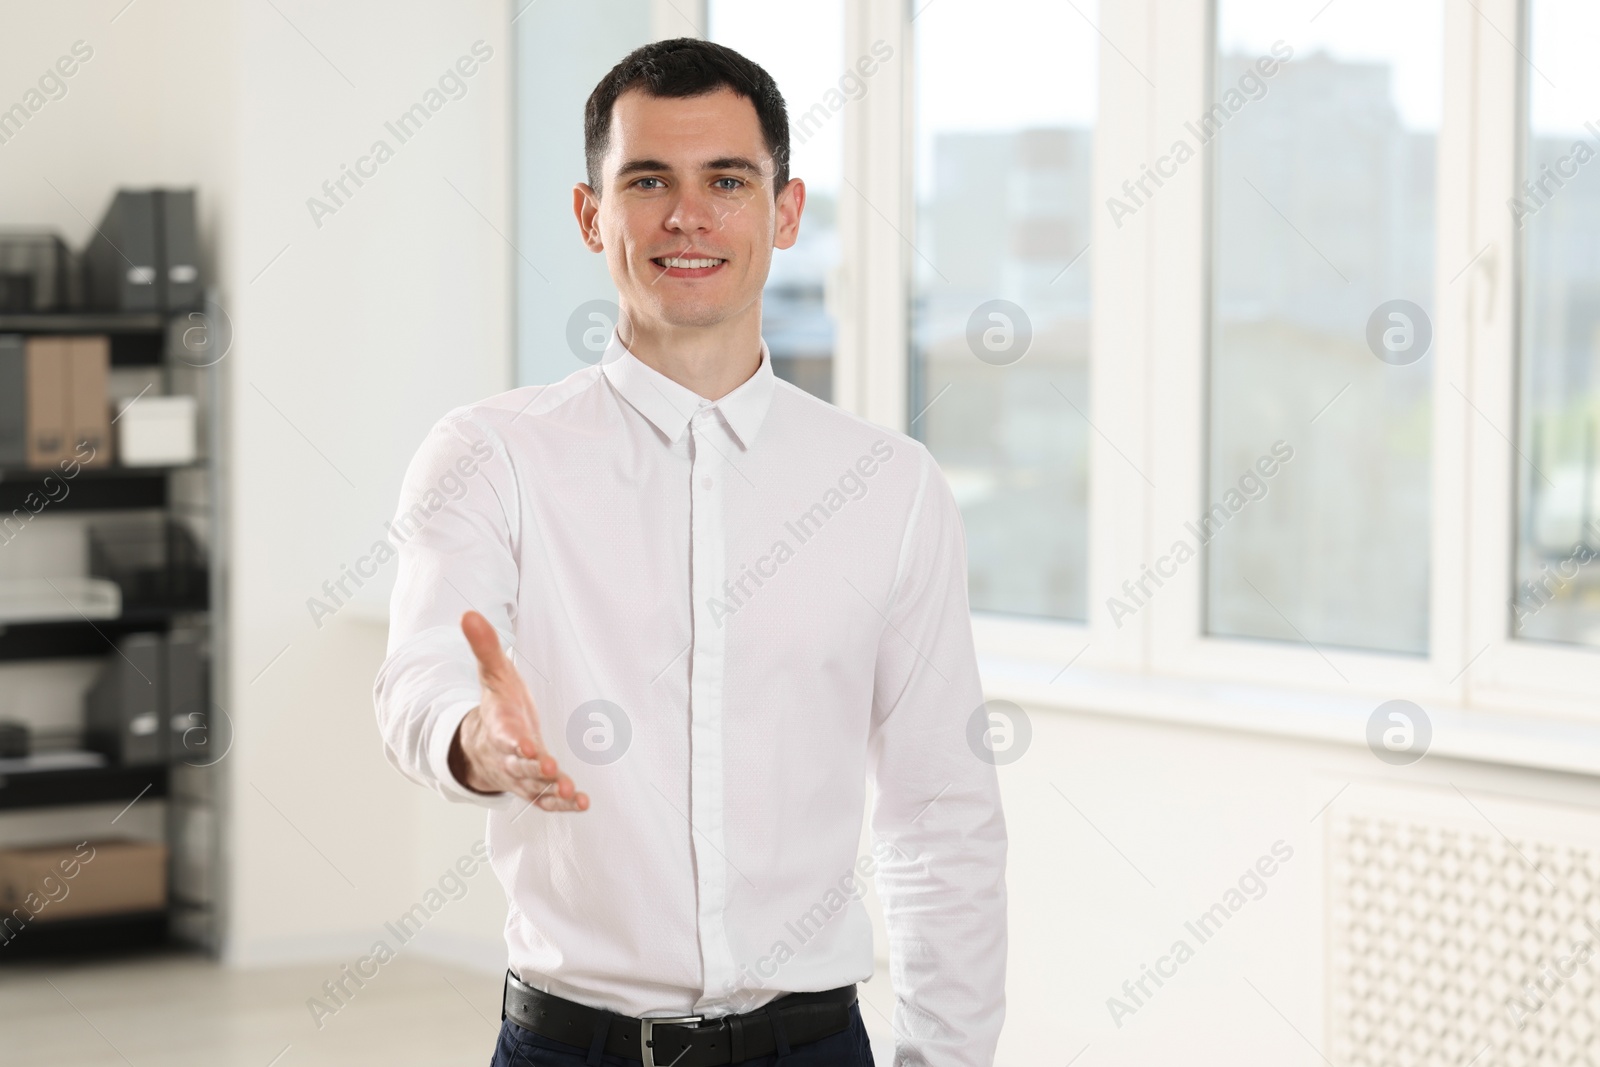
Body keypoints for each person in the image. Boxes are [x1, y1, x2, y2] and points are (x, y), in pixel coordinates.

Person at [373, 37, 1006, 1067]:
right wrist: (477, 739)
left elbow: (942, 816)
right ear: (590, 216)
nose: (687, 216)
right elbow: (418, 677)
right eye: (646, 180)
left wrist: (946, 1058)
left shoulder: (890, 487)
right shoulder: (490, 455)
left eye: (726, 180)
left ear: (784, 210)